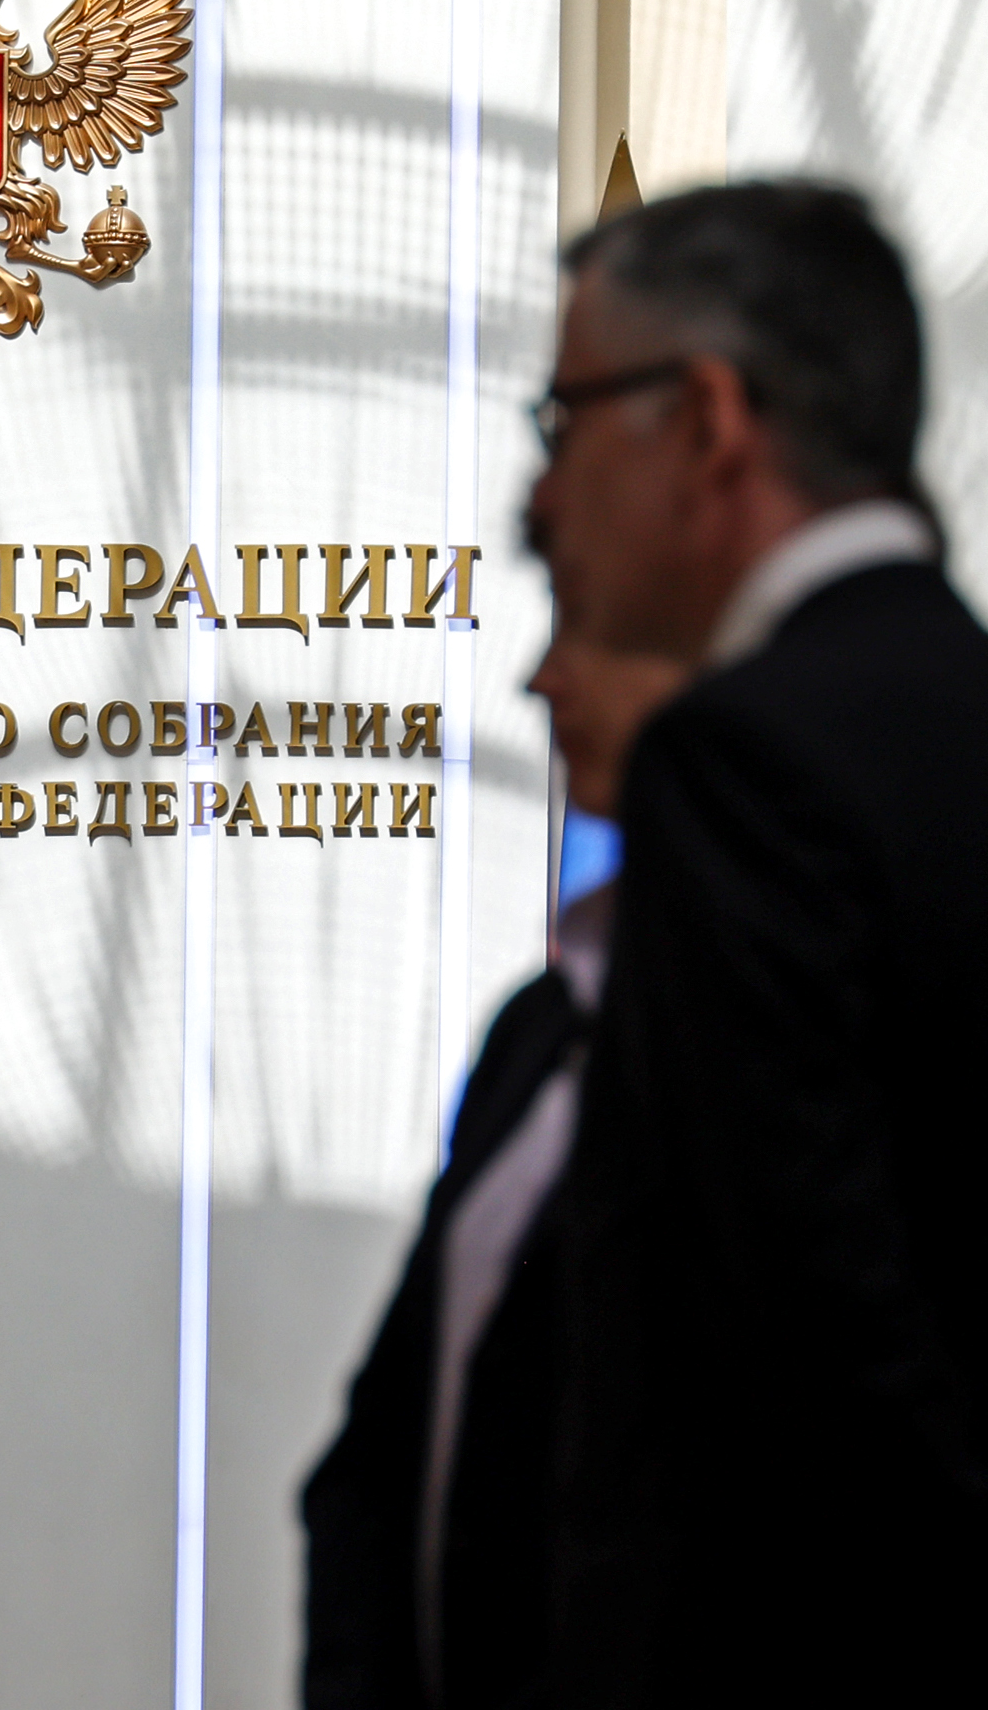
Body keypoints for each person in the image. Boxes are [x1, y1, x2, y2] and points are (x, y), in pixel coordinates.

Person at [523, 182, 988, 1709]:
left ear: (708, 419)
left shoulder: (741, 764)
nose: (540, 497)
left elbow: (801, 1303)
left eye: (563, 418)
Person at [301, 629, 688, 1710]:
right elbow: (389, 1437)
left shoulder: (795, 1034)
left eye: (599, 628)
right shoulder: (539, 1026)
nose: (543, 677)